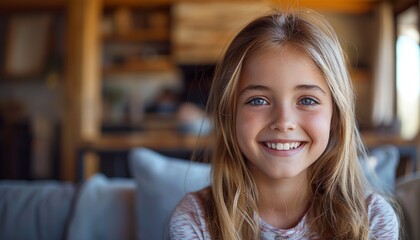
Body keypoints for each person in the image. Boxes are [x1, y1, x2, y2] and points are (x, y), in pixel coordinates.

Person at [169, 9, 399, 239]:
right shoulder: (196, 218)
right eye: (258, 100)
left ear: (335, 116)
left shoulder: (373, 219)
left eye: (307, 100)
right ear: (230, 115)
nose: (283, 122)